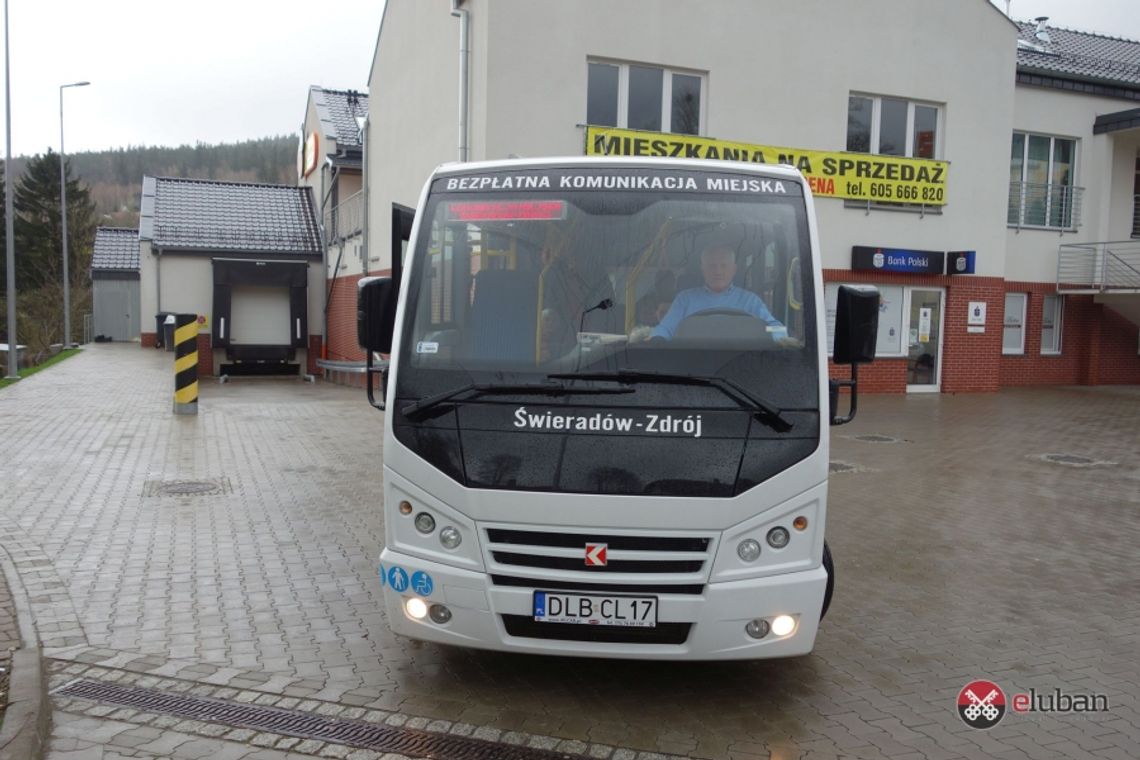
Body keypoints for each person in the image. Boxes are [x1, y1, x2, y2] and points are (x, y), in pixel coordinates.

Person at [651, 244, 787, 340]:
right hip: (691, 366)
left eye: (723, 265)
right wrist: (656, 339)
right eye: (712, 266)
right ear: (702, 269)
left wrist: (780, 339)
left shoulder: (751, 301)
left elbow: (773, 327)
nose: (718, 271)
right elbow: (665, 329)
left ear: (733, 270)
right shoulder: (684, 299)